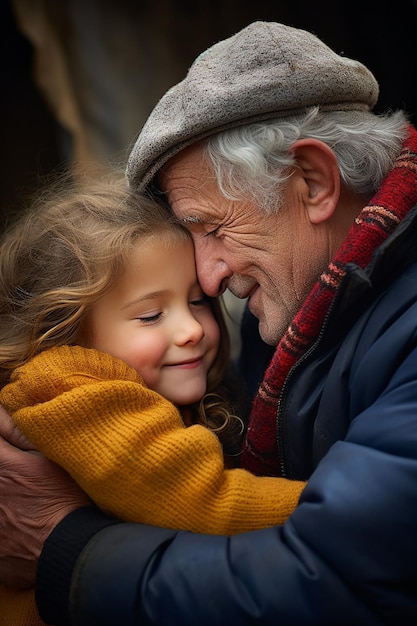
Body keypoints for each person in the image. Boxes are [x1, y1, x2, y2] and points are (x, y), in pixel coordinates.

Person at [1, 18, 417, 625]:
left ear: (313, 180)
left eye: (214, 228)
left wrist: (63, 546)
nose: (211, 277)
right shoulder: (292, 312)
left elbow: (338, 575)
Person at [0, 172, 305, 625]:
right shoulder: (74, 394)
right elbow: (204, 502)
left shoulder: (158, 394)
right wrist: (337, 514)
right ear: (65, 331)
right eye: (150, 315)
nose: (192, 330)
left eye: (199, 301)